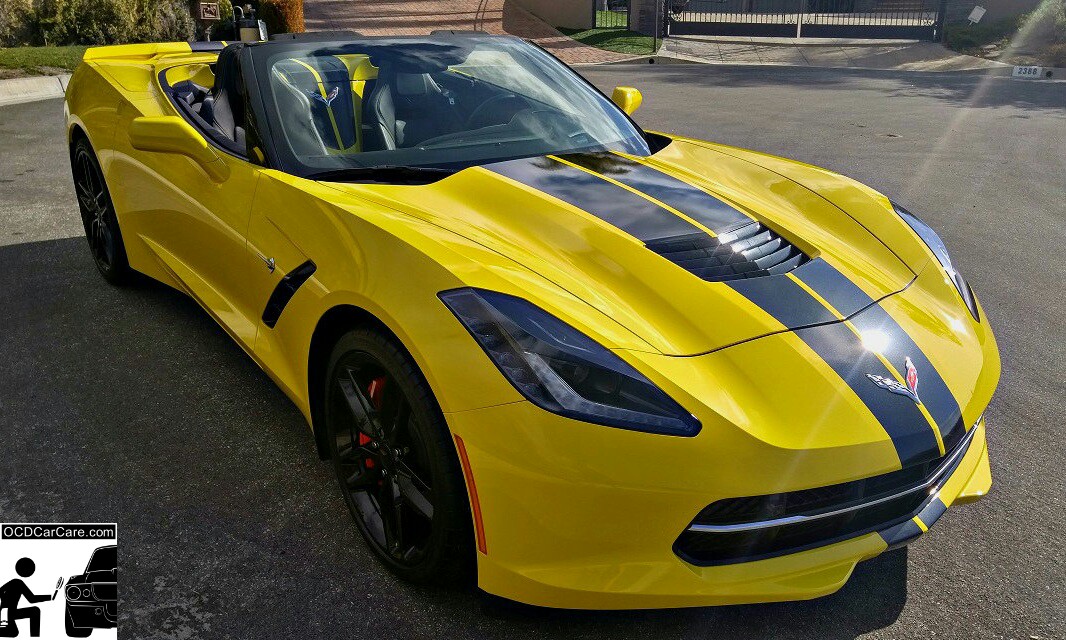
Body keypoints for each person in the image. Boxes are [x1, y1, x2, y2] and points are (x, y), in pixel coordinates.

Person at [0, 559, 52, 638]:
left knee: (14, 632)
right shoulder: (17, 582)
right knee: (35, 611)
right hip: (7, 614)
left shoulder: (13, 582)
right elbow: (32, 599)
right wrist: (50, 597)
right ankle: (35, 637)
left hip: (8, 613)